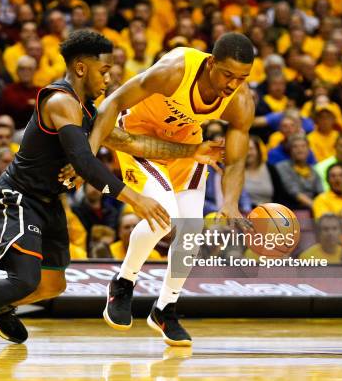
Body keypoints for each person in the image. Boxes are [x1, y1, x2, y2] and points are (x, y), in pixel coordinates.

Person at [0, 30, 221, 349]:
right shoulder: (61, 100)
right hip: (19, 196)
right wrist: (134, 197)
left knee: (53, 284)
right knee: (24, 279)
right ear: (81, 68)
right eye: (104, 71)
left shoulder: (88, 111)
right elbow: (83, 161)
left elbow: (131, 142)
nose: (109, 79)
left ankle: (0, 308)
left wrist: (191, 152)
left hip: (49, 202)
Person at [89, 32, 255, 346]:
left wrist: (230, 203)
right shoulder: (175, 69)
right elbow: (113, 102)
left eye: (242, 78)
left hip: (187, 147)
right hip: (137, 137)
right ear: (210, 63)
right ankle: (124, 282)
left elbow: (235, 160)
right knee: (163, 217)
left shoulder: (240, 100)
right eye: (228, 75)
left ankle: (165, 307)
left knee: (191, 231)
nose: (234, 84)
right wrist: (87, 154)